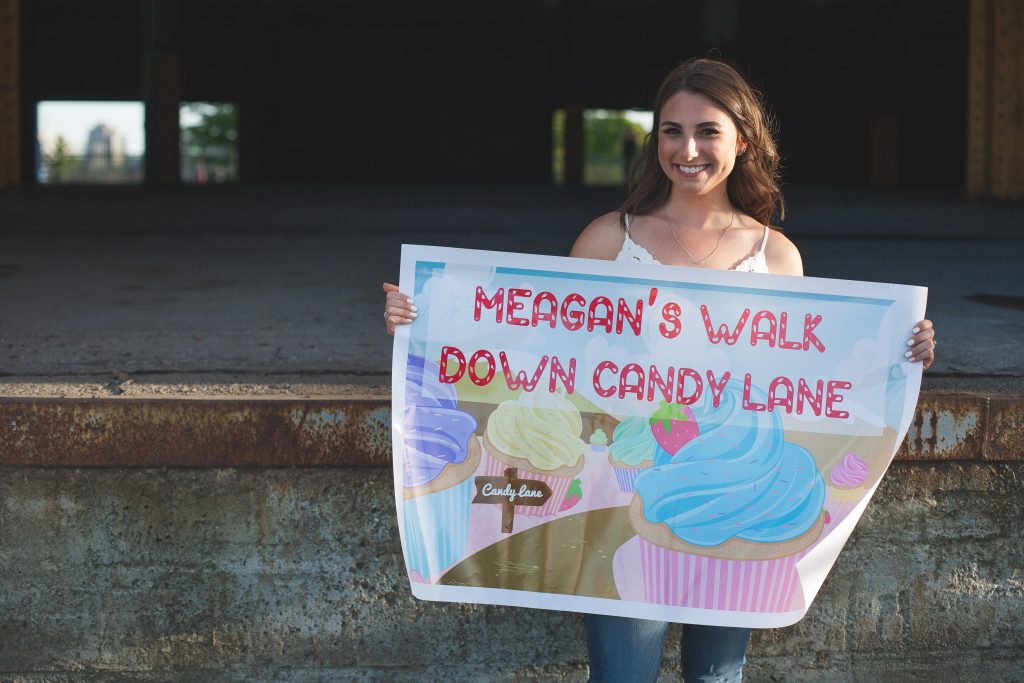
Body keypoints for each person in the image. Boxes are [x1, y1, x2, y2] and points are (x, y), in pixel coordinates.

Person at [383, 58, 936, 682]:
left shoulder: (775, 255)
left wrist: (900, 349)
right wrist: (425, 318)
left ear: (742, 140)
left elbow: (813, 378)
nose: (688, 148)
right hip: (625, 495)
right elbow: (534, 346)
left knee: (717, 678)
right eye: (671, 130)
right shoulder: (607, 240)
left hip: (740, 496)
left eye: (708, 131)